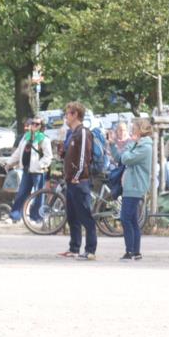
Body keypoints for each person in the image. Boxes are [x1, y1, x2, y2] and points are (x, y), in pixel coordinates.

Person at [57, 102, 97, 260]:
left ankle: (90, 250)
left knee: (85, 216)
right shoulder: (71, 133)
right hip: (70, 180)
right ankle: (74, 248)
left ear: (75, 115)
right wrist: (61, 144)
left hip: (79, 181)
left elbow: (83, 157)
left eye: (67, 114)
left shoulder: (83, 133)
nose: (65, 117)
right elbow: (64, 155)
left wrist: (77, 175)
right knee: (72, 216)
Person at [112, 118, 153, 260]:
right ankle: (136, 252)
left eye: (134, 127)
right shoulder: (136, 144)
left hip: (135, 187)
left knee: (125, 218)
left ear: (141, 129)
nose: (132, 130)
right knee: (133, 219)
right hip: (129, 186)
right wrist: (112, 145)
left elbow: (127, 159)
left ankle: (130, 251)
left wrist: (129, 146)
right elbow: (119, 157)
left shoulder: (145, 147)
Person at [6, 117, 52, 222]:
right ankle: (15, 216)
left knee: (38, 195)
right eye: (32, 123)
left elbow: (48, 157)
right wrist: (8, 163)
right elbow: (18, 152)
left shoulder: (44, 139)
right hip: (26, 170)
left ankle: (36, 218)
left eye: (37, 124)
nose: (33, 125)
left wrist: (38, 165)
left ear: (41, 127)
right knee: (22, 193)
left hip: (38, 172)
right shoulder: (25, 137)